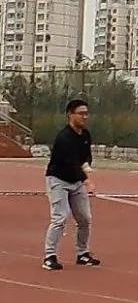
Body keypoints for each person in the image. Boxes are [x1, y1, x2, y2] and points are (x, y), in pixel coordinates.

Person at [42, 99, 100, 271]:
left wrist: (86, 167)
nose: (84, 117)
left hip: (76, 181)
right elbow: (71, 162)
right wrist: (87, 180)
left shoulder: (85, 135)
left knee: (85, 218)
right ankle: (49, 256)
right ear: (70, 114)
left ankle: (83, 253)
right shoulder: (64, 138)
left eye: (86, 113)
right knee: (59, 217)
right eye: (81, 113)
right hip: (58, 179)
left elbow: (85, 157)